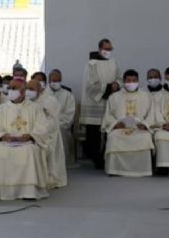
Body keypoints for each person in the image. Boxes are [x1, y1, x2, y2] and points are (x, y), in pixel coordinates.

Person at [0, 78, 50, 200]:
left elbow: (42, 127)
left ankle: (29, 191)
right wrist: (3, 135)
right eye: (9, 88)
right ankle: (5, 191)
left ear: (22, 91)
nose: (10, 90)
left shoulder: (35, 108)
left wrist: (30, 135)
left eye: (14, 88)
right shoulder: (1, 109)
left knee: (29, 151)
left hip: (28, 142)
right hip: (6, 141)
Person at [101, 69, 154, 177]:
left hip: (139, 127)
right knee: (114, 137)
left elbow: (151, 114)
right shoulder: (114, 97)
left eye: (134, 80)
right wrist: (115, 124)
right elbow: (108, 115)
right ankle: (115, 170)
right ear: (124, 81)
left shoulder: (146, 96)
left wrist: (145, 124)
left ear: (138, 81)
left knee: (145, 137)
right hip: (120, 127)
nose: (131, 83)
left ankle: (142, 169)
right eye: (128, 80)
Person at [80, 38, 121, 169]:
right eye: (106, 49)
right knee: (94, 134)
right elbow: (91, 84)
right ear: (100, 49)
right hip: (95, 103)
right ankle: (96, 159)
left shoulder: (114, 63)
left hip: (110, 102)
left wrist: (117, 84)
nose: (108, 51)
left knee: (110, 130)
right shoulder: (91, 64)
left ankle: (107, 156)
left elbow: (119, 78)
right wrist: (109, 88)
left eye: (110, 49)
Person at [26, 79, 66, 188]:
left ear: (40, 90)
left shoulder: (49, 101)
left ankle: (48, 178)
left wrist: (36, 133)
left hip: (47, 134)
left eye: (31, 89)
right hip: (30, 133)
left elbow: (53, 122)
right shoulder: (26, 101)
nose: (28, 92)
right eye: (27, 89)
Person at [48, 69, 77, 166]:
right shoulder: (43, 94)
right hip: (45, 124)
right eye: (54, 80)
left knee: (59, 130)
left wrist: (56, 122)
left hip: (61, 125)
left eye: (58, 81)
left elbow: (69, 116)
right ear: (49, 80)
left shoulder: (68, 95)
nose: (56, 83)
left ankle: (61, 162)